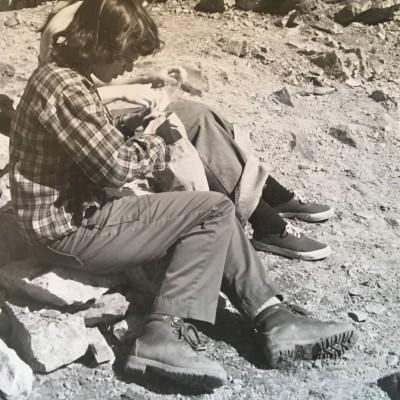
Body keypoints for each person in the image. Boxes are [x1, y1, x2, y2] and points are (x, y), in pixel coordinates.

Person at [10, 0, 357, 389]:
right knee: (211, 210)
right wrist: (154, 140)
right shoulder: (65, 87)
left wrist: (141, 123)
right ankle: (162, 333)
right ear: (99, 46)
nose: (127, 68)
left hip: (80, 211)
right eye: (123, 58)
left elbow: (96, 143)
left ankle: (274, 315)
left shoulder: (66, 73)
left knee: (209, 202)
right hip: (70, 229)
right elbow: (116, 167)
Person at [37, 0, 334, 262]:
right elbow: (67, 97)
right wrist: (127, 93)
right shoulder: (73, 20)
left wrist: (144, 78)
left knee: (203, 114)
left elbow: (92, 77)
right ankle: (266, 219)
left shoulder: (103, 8)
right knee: (183, 124)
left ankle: (269, 195)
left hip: (103, 115)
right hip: (95, 129)